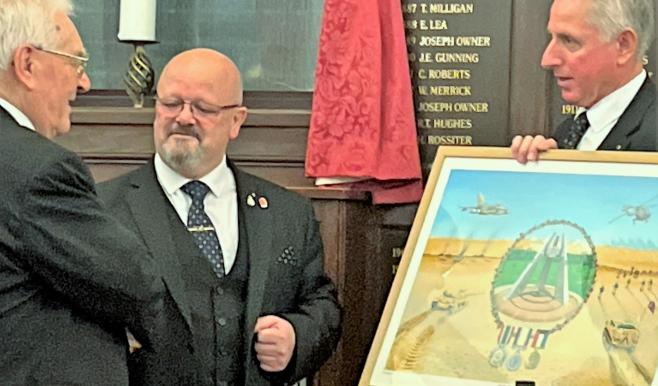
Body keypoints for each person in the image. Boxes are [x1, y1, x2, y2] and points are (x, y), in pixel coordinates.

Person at [98, 48, 341, 385]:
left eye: (203, 108)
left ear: (237, 120)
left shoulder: (288, 213)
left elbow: (321, 303)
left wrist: (295, 337)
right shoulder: (102, 210)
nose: (183, 117)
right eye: (171, 103)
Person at [0, 1, 198, 384]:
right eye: (74, 61)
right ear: (27, 64)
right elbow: (131, 282)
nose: (84, 81)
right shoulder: (37, 170)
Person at [511, 0, 656, 163]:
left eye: (569, 40)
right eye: (552, 38)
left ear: (624, 46)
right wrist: (540, 173)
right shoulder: (567, 134)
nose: (547, 60)